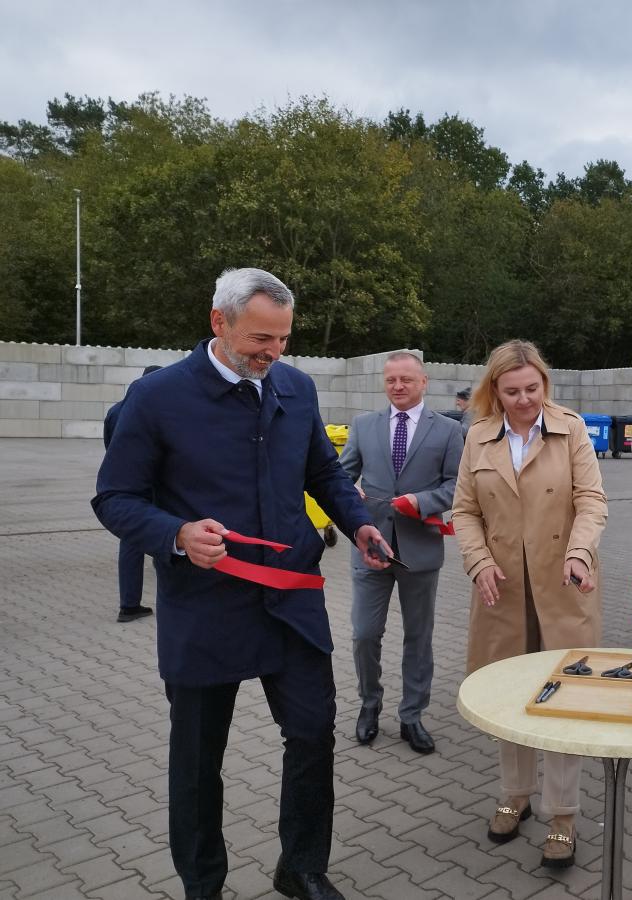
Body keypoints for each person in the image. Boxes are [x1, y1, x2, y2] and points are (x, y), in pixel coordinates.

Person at [93, 268, 392, 900]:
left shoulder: (295, 387)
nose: (274, 352)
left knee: (312, 733)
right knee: (198, 760)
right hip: (204, 609)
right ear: (218, 322)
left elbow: (323, 472)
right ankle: (203, 884)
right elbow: (115, 497)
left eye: (283, 339)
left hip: (290, 602)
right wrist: (176, 533)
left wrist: (358, 523)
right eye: (261, 338)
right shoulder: (158, 398)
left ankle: (301, 867)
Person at [451, 339, 606, 870]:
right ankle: (514, 794)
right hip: (502, 592)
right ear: (495, 390)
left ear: (545, 384)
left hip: (564, 586)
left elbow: (591, 501)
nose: (523, 400)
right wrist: (478, 561)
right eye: (512, 391)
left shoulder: (571, 430)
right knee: (510, 696)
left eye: (532, 389)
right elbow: (464, 511)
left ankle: (562, 814)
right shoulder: (477, 437)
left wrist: (580, 553)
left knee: (564, 699)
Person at [338, 351, 463, 752]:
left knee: (418, 637)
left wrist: (421, 502)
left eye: (406, 379)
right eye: (391, 379)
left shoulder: (448, 430)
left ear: (424, 382)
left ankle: (412, 715)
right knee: (364, 634)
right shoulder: (364, 425)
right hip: (371, 548)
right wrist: (350, 497)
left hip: (419, 550)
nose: (398, 386)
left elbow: (457, 486)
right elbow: (339, 477)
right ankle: (369, 703)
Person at [103, 364, 162, 623]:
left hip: (127, 483)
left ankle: (131, 602)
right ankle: (129, 605)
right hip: (154, 484)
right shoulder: (156, 408)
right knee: (145, 538)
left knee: (134, 539)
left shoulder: (115, 410)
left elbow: (111, 448)